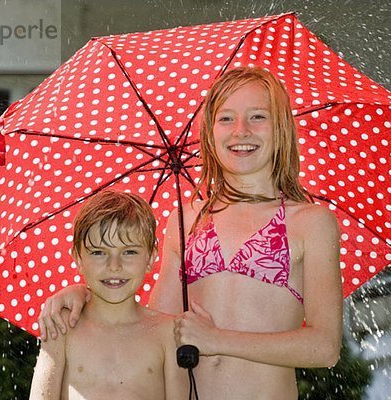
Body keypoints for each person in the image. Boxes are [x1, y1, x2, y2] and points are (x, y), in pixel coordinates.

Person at [38, 67, 343, 399]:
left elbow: (324, 347)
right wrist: (86, 294)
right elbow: (152, 326)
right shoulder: (186, 221)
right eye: (226, 119)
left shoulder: (309, 222)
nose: (241, 131)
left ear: (281, 128)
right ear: (209, 133)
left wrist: (218, 340)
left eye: (257, 117)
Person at [29, 190, 186, 400]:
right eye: (98, 252)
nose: (114, 266)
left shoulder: (168, 333)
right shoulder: (63, 327)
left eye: (129, 252)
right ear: (78, 258)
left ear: (150, 258)